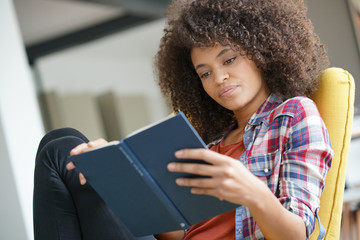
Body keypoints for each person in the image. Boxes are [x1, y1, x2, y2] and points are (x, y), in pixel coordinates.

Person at [33, 0, 333, 239]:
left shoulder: (294, 114)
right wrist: (120, 177)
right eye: (204, 73)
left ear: (263, 50)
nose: (219, 77)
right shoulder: (210, 140)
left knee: (58, 149)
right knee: (62, 144)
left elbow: (298, 235)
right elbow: (179, 233)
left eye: (229, 59)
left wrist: (253, 193)